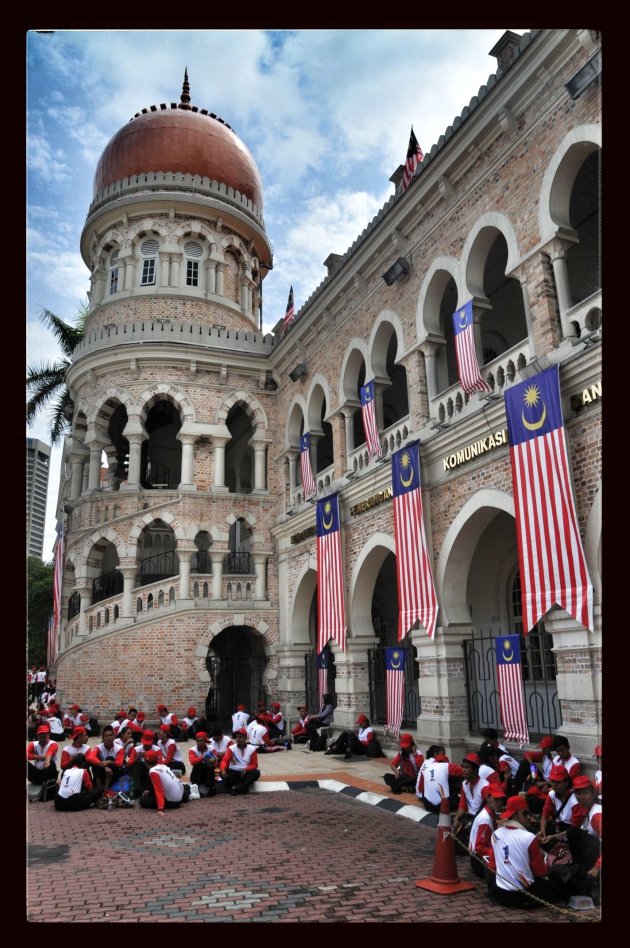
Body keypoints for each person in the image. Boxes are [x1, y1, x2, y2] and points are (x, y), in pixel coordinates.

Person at [486, 795, 558, 909]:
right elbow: (540, 872)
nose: (529, 817)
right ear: (514, 815)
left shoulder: (495, 834)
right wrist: (542, 857)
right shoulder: (529, 837)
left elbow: (492, 866)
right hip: (524, 897)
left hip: (500, 894)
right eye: (525, 814)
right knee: (554, 881)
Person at [566, 775, 601, 900]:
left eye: (584, 793)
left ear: (592, 793)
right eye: (578, 793)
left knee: (573, 833)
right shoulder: (587, 810)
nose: (581, 797)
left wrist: (596, 868)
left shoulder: (596, 814)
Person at [468, 785, 507, 878]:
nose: (500, 803)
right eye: (496, 799)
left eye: (501, 800)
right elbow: (479, 847)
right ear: (488, 798)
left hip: (479, 859)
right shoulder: (485, 819)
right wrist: (498, 853)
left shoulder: (489, 814)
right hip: (480, 863)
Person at [537, 764, 581, 846]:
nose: (554, 785)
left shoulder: (575, 801)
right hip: (559, 827)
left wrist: (553, 837)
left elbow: (574, 829)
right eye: (553, 781)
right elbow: (545, 814)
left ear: (566, 782)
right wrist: (542, 832)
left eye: (558, 782)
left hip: (571, 832)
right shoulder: (552, 794)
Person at [452, 753, 489, 843]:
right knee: (444, 822)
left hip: (480, 820)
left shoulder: (484, 787)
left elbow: (486, 811)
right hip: (468, 817)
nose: (463, 770)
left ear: (475, 770)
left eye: (467, 767)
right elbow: (463, 805)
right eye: (463, 767)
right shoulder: (464, 784)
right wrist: (457, 818)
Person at [416, 746, 464, 813]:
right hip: (444, 806)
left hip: (428, 806)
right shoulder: (447, 766)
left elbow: (420, 789)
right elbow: (465, 771)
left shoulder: (427, 768)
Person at [85, 724, 124, 794]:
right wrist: (104, 765)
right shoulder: (98, 747)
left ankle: (106, 789)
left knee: (110, 758)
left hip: (113, 775)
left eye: (110, 735)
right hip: (101, 773)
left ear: (114, 737)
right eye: (106, 736)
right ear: (103, 738)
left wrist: (109, 762)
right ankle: (99, 788)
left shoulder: (119, 748)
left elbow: (120, 764)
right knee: (95, 761)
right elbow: (90, 757)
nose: (109, 737)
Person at [220, 728, 260, 795]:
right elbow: (224, 761)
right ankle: (242, 787)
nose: (238, 739)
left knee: (256, 773)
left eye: (241, 737)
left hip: (244, 772)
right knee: (223, 774)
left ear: (246, 738)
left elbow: (254, 764)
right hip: (233, 772)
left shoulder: (252, 749)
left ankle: (236, 788)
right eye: (237, 737)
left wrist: (246, 769)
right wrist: (223, 769)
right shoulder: (231, 748)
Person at [27, 724, 59, 788]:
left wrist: (47, 760)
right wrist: (37, 757)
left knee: (51, 762)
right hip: (37, 774)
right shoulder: (33, 744)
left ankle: (50, 784)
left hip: (49, 774)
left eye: (44, 737)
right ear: (37, 736)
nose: (42, 739)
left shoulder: (53, 744)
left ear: (49, 735)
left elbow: (50, 752)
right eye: (40, 737)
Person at [188, 731, 217, 796]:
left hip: (208, 772)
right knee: (198, 765)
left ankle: (211, 788)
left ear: (205, 741)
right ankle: (196, 787)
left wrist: (208, 760)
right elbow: (192, 762)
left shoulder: (211, 748)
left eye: (201, 741)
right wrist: (203, 758)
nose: (199, 742)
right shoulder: (192, 750)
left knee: (209, 765)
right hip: (198, 773)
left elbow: (215, 763)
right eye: (198, 741)